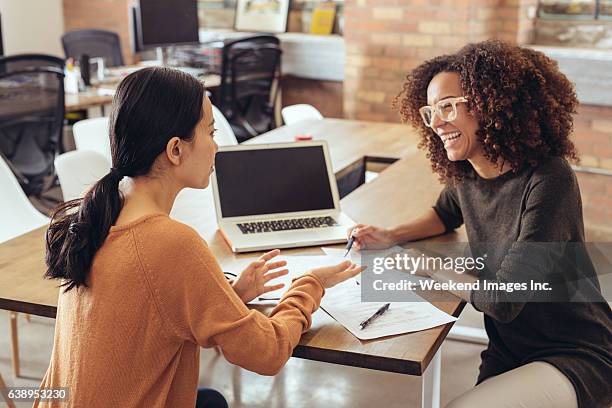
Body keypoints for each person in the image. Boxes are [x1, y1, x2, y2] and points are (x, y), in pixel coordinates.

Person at [38, 67, 362, 407]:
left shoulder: (98, 213)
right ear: (176, 150)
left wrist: (230, 296)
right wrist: (309, 285)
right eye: (210, 132)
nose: (216, 146)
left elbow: (154, 316)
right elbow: (266, 353)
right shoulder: (171, 242)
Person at [349, 40, 611, 408]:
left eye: (448, 106)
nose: (437, 122)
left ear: (491, 105)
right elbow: (444, 213)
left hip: (573, 352)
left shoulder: (549, 178)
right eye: (430, 111)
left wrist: (430, 267)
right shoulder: (469, 173)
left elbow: (504, 299)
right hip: (510, 348)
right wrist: (389, 235)